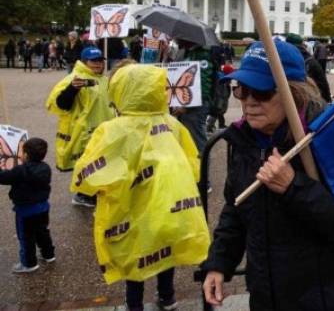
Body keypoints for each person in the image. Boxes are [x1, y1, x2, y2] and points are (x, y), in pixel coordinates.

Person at [201, 40, 334, 310]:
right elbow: (235, 210)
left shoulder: (327, 139)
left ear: (293, 93)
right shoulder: (244, 139)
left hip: (322, 297)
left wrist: (294, 186)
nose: (248, 102)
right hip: (265, 294)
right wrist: (218, 264)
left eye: (260, 92)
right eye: (241, 90)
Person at [71, 63, 210, 311]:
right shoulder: (172, 124)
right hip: (168, 206)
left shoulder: (112, 130)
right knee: (164, 251)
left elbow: (88, 175)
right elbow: (192, 164)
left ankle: (134, 305)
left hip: (129, 209)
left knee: (134, 255)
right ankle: (167, 297)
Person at [46, 46, 114, 207]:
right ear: (84, 62)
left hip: (103, 128)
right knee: (88, 163)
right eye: (94, 61)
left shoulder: (104, 79)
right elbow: (60, 105)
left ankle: (94, 190)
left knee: (101, 161)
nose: (98, 64)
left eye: (100, 61)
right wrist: (72, 89)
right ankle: (83, 194)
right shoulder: (73, 79)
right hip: (85, 131)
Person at [0, 138, 55, 274]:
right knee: (43, 232)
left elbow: (3, 178)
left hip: (26, 211)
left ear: (25, 155)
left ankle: (29, 263)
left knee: (26, 237)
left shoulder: (20, 170)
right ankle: (48, 255)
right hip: (43, 207)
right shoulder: (46, 168)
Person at [172, 39, 218, 155]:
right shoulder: (188, 51)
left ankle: (202, 169)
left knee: (197, 139)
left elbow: (203, 84)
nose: (176, 40)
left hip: (197, 104)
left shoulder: (203, 54)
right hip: (187, 102)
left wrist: (187, 105)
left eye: (179, 38)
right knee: (188, 137)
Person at [286, 33, 332, 103]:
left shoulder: (282, 59)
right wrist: (328, 100)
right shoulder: (310, 60)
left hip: (288, 101)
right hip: (308, 102)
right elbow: (323, 83)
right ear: (302, 44)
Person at [207, 63, 234, 134]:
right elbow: (219, 93)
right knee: (215, 114)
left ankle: (220, 125)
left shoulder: (225, 80)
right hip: (219, 101)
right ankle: (209, 127)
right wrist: (219, 103)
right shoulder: (222, 81)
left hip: (222, 100)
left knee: (220, 114)